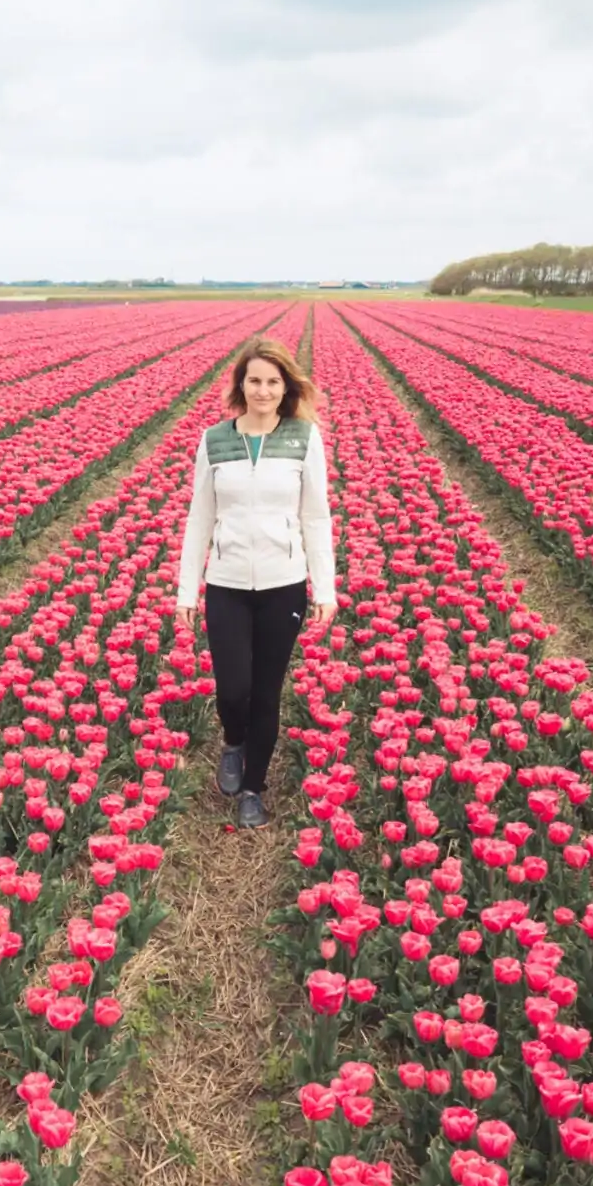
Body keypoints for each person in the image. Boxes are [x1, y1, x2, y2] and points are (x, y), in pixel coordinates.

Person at [174, 338, 337, 829]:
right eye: (254, 380)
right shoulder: (214, 440)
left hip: (282, 583)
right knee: (232, 689)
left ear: (285, 387)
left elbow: (315, 517)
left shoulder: (304, 439)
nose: (263, 390)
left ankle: (253, 788)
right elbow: (200, 518)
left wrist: (324, 588)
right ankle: (233, 741)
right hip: (225, 583)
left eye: (272, 381)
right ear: (240, 386)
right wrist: (187, 589)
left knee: (267, 692)